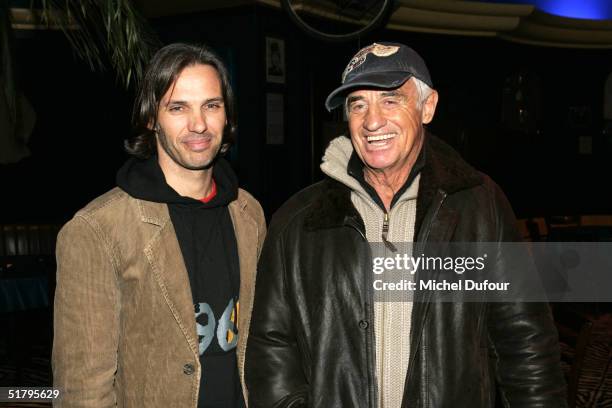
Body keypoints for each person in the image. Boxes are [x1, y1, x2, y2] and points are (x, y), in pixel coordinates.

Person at [245, 42, 566, 407]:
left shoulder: (479, 207)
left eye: (391, 100)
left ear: (427, 107)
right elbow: (271, 350)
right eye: (358, 104)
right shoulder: (298, 221)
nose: (372, 121)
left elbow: (525, 344)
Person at [53, 43, 266, 407]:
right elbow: (82, 390)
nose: (198, 124)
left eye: (211, 106)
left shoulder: (249, 213)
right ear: (151, 118)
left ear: (226, 116)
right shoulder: (98, 229)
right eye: (178, 107)